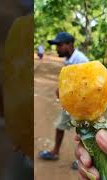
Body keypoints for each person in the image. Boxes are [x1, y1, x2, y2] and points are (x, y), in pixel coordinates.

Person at [38, 32, 89, 169]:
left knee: (83, 132)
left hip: (80, 104)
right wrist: (61, 89)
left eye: (59, 45)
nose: (57, 49)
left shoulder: (81, 61)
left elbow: (88, 86)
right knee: (60, 126)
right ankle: (55, 152)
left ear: (70, 44)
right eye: (56, 46)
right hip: (70, 103)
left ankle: (84, 160)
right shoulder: (69, 59)